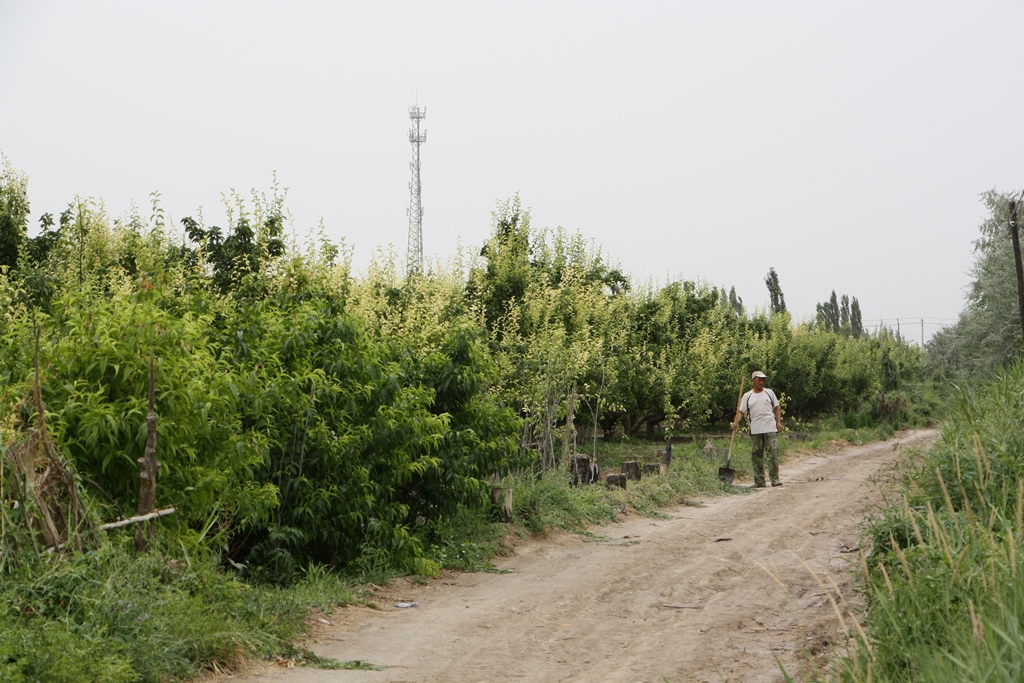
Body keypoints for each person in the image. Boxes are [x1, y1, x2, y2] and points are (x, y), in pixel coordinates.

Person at [731, 370, 783, 488]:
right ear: (753, 380)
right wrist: (736, 422)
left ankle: (775, 479)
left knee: (773, 453)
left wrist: (778, 422)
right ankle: (759, 481)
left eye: (763, 379)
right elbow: (741, 411)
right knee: (756, 455)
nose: (762, 381)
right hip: (755, 429)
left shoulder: (769, 393)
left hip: (770, 427)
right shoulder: (747, 396)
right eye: (759, 379)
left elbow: (777, 407)